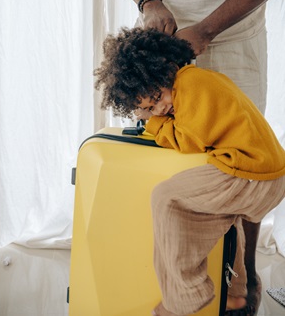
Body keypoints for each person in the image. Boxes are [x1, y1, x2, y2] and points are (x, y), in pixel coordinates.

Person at [103, 0, 285, 313]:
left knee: (239, 160)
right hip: (162, 51)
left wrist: (206, 29)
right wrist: (149, 2)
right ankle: (201, 281)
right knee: (182, 179)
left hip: (234, 41)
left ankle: (242, 279)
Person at [94, 27, 285, 316]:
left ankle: (184, 298)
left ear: (166, 69)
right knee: (221, 219)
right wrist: (158, 118)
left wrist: (153, 124)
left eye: (157, 96)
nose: (160, 108)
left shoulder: (191, 82)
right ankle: (235, 294)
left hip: (252, 173)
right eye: (149, 108)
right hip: (259, 173)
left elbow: (188, 141)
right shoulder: (191, 85)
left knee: (166, 198)